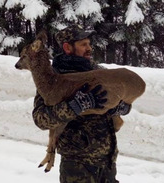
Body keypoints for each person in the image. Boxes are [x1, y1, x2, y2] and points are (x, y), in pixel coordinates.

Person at [32, 24, 131, 183]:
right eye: (83, 44)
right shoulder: (54, 78)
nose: (89, 48)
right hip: (78, 167)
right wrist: (74, 106)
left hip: (108, 163)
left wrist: (121, 106)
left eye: (89, 44)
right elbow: (41, 119)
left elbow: (122, 97)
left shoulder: (99, 72)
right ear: (67, 47)